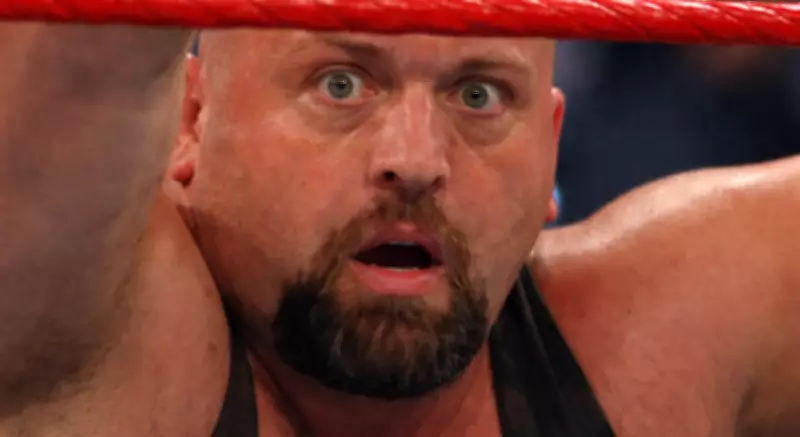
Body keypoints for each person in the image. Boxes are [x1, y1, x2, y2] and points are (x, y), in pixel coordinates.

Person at [2, 23, 799, 437]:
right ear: (190, 118)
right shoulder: (104, 336)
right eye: (340, 84)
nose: (415, 162)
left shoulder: (657, 342)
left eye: (479, 96)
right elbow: (73, 73)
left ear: (550, 150)